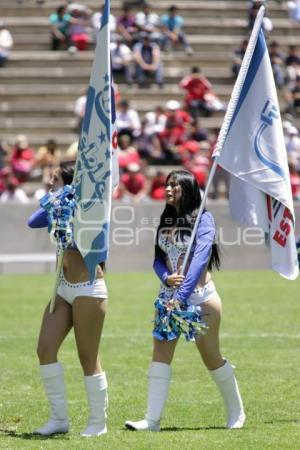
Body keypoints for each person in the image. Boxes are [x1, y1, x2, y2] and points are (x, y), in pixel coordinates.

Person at [125, 169, 245, 431]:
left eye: (175, 186)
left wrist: (180, 296)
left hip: (201, 301)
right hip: (167, 300)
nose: (168, 189)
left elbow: (200, 260)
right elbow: (157, 259)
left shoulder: (204, 220)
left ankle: (237, 413)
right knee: (160, 355)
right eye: (168, 185)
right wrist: (166, 278)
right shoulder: (167, 218)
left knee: (211, 357)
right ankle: (152, 420)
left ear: (188, 189)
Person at [28, 162, 109, 437]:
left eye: (55, 180)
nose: (50, 183)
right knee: (45, 349)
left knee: (88, 357)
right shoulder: (60, 208)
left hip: (88, 288)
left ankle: (98, 422)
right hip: (61, 288)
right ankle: (58, 419)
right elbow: (33, 221)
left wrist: (75, 198)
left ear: (71, 183)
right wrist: (58, 200)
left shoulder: (88, 210)